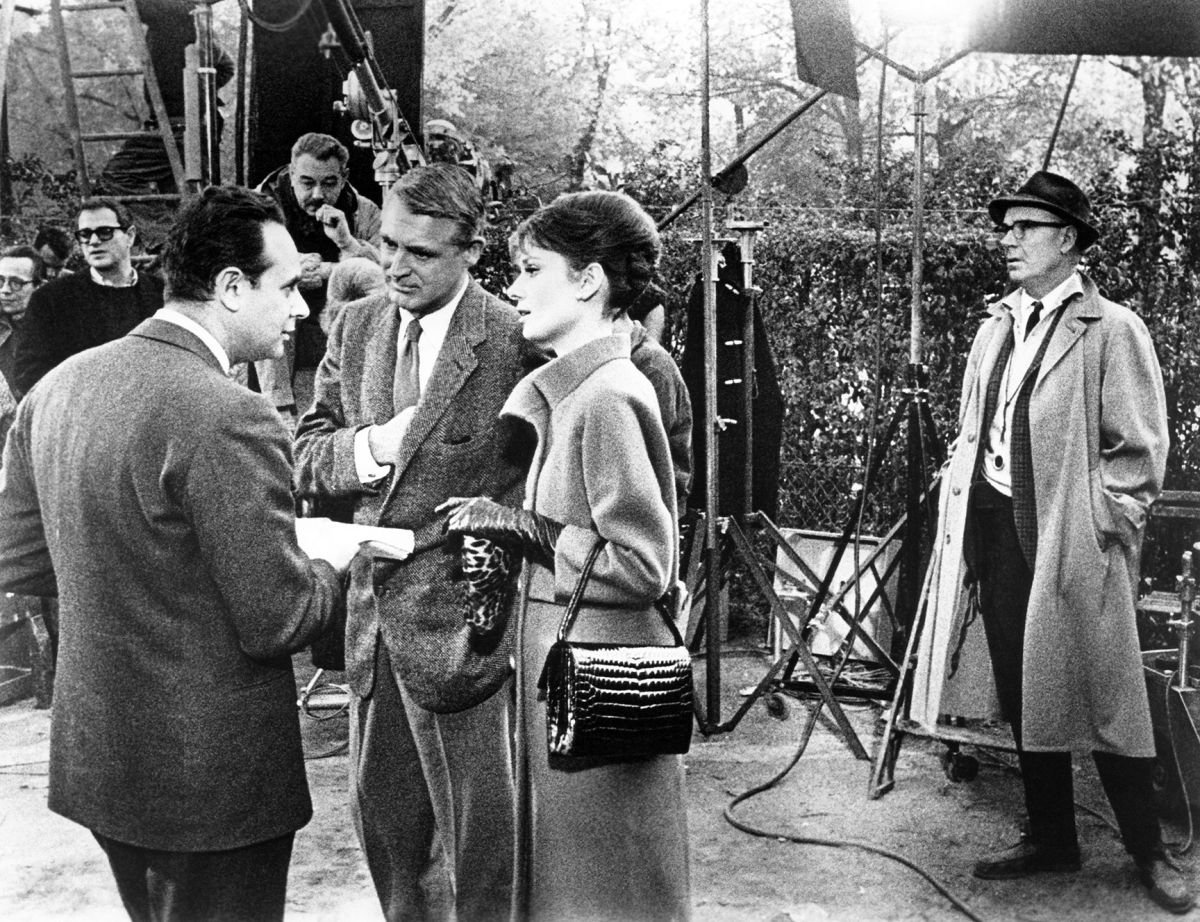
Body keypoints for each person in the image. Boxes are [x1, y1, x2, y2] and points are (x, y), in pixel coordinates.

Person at [0, 184, 356, 922]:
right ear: (230, 288)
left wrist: (147, 578)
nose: (299, 309)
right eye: (286, 288)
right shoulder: (230, 414)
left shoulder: (60, 388)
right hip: (211, 784)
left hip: (104, 761)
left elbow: (20, 560)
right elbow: (280, 621)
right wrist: (334, 559)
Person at [925, 170, 1191, 914]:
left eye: (1026, 229)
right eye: (1005, 230)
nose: (1009, 242)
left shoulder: (1113, 328)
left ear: (1068, 241)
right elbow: (979, 424)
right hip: (1000, 531)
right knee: (1024, 685)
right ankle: (1052, 836)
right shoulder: (998, 324)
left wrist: (1107, 521)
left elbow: (1138, 451)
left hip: (1075, 539)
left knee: (1108, 692)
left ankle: (1150, 851)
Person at [443, 190, 691, 922]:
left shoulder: (608, 396)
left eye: (529, 269)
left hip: (603, 683)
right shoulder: (579, 388)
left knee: (604, 894)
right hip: (573, 673)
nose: (512, 288)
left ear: (587, 280)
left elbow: (647, 565)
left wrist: (526, 530)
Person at [293, 162, 529, 922]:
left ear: (472, 251)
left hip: (470, 633)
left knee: (483, 848)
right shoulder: (357, 326)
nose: (395, 265)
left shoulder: (514, 337)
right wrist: (374, 448)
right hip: (372, 625)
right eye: (389, 243)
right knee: (389, 837)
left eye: (421, 253)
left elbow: (553, 470)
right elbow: (308, 449)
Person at [252, 132, 383, 417]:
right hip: (278, 337)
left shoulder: (364, 212)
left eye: (329, 183)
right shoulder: (258, 208)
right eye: (307, 183)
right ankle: (281, 412)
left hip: (331, 324)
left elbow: (384, 275)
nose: (318, 195)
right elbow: (238, 267)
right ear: (291, 172)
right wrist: (289, 268)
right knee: (266, 290)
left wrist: (344, 246)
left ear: (345, 176)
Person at [13, 197, 163, 397]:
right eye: (85, 234)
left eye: (105, 232)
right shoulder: (51, 299)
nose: (93, 241)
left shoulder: (162, 295)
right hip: (80, 417)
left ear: (130, 236)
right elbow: (28, 373)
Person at [0, 245, 44, 449]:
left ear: (38, 286)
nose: (5, 290)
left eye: (16, 283)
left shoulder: (54, 332)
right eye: (0, 281)